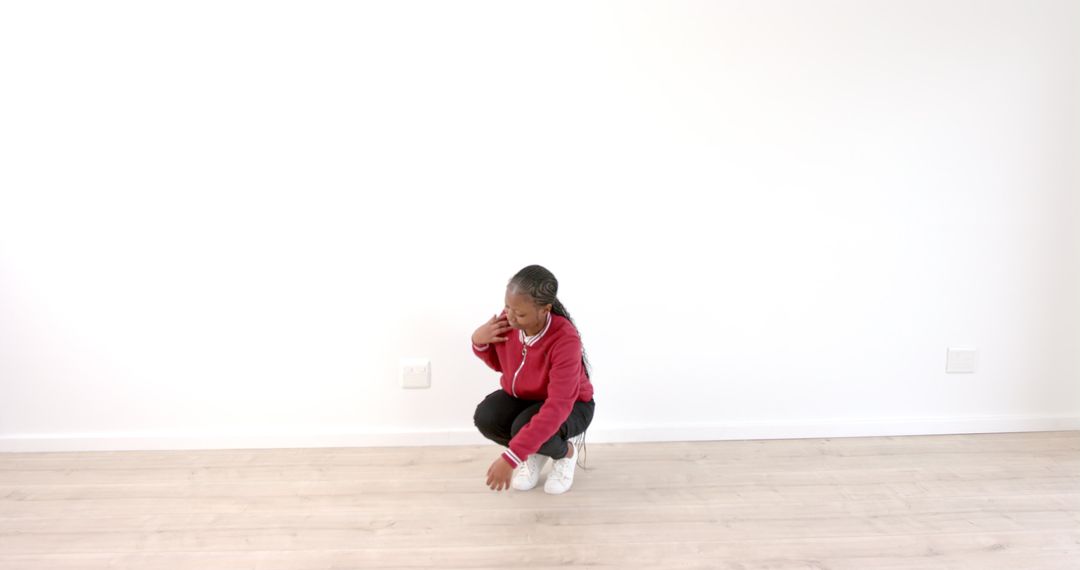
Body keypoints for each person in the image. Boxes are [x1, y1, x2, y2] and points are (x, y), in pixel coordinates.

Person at [471, 264, 595, 494]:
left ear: (545, 309)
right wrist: (479, 342)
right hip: (529, 397)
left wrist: (510, 458)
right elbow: (504, 365)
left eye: (519, 313)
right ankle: (535, 450)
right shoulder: (509, 321)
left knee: (523, 427)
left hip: (572, 404)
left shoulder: (564, 339)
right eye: (507, 306)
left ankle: (565, 453)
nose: (510, 316)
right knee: (486, 417)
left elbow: (558, 406)